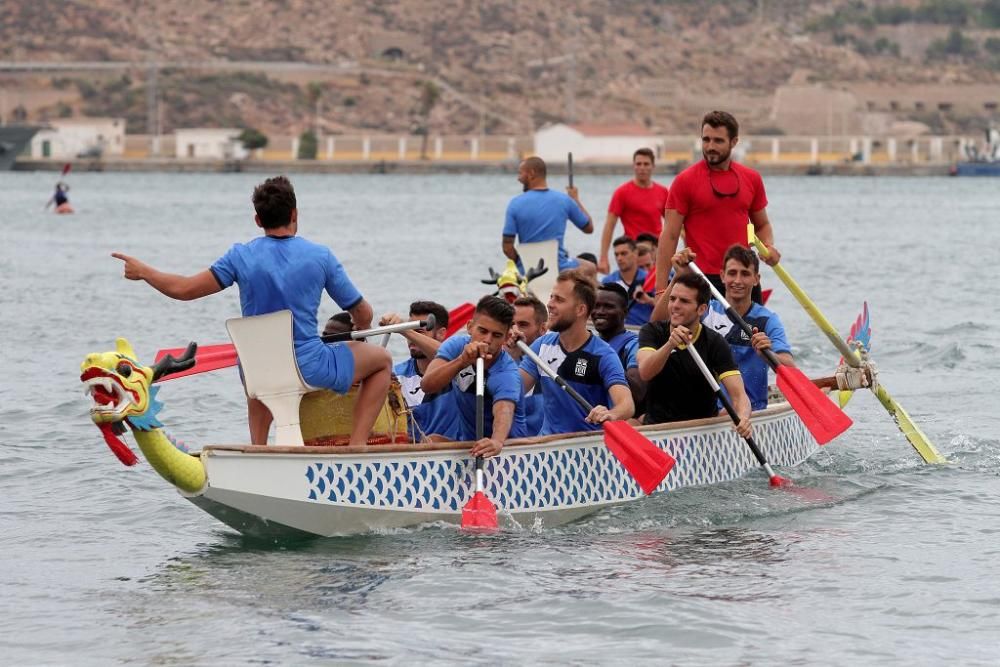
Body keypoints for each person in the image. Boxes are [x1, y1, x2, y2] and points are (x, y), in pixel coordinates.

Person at [111, 175, 392, 447]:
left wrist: (145, 272)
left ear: (258, 220)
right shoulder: (321, 256)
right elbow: (363, 313)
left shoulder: (239, 256)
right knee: (382, 360)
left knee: (257, 361)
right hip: (310, 368)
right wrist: (358, 330)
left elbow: (184, 290)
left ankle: (257, 447)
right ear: (295, 213)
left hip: (259, 371)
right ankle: (358, 445)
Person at [654, 110, 781, 303]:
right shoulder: (684, 181)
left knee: (752, 334)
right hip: (701, 279)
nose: (710, 146)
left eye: (718, 141)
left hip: (742, 279)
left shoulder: (752, 179)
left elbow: (762, 225)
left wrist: (768, 247)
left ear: (734, 142)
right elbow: (669, 236)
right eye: (706, 140)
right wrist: (661, 291)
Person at [677, 245, 794, 411]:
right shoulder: (704, 311)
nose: (737, 281)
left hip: (750, 412)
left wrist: (768, 354)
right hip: (705, 410)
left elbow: (790, 368)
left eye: (745, 274)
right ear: (722, 276)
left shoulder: (767, 321)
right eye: (732, 273)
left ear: (756, 279)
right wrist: (679, 273)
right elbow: (661, 320)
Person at [519, 269, 634, 435]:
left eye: (559, 299)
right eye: (551, 297)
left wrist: (610, 414)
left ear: (580, 310)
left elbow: (626, 404)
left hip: (584, 448)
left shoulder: (603, 355)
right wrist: (505, 353)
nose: (550, 304)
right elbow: (514, 389)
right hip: (548, 445)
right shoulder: (542, 346)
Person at [637, 273, 752, 436]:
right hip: (658, 430)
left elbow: (739, 396)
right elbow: (645, 372)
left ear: (702, 309)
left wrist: (743, 418)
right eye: (672, 299)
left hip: (701, 432)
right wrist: (670, 345)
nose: (675, 306)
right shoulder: (652, 331)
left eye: (684, 301)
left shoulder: (715, 342)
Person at [422, 295, 529, 456]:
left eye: (497, 335)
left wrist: (497, 441)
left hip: (507, 449)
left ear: (507, 338)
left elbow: (504, 411)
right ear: (470, 326)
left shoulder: (507, 372)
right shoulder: (456, 346)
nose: (487, 340)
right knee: (431, 441)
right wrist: (461, 361)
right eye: (483, 331)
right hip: (470, 443)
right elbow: (427, 385)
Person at [380, 301, 462, 441]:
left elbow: (447, 355)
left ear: (441, 334)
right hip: (410, 453)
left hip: (449, 451)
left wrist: (404, 329)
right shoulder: (396, 375)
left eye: (418, 331)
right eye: (409, 329)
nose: (410, 338)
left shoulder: (458, 368)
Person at [502, 156, 594, 272]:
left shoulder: (514, 204)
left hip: (527, 270)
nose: (518, 178)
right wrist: (575, 199)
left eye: (520, 173)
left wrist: (521, 262)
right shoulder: (564, 200)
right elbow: (589, 228)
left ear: (531, 173)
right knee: (591, 268)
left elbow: (507, 247)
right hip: (559, 268)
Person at [597, 148, 669, 275]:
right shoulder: (622, 192)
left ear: (653, 166)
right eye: (638, 164)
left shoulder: (663, 192)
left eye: (646, 164)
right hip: (633, 251)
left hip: (656, 251)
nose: (642, 168)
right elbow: (609, 226)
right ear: (633, 166)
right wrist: (603, 257)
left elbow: (674, 224)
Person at [592, 283, 646, 416]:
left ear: (625, 312)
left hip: (617, 421)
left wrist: (605, 362)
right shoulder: (588, 343)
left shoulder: (635, 345)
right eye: (596, 306)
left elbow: (639, 392)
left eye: (608, 306)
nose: (600, 311)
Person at [506, 294, 548, 435]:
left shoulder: (555, 362)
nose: (515, 331)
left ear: (543, 329)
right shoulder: (497, 360)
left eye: (523, 325)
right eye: (512, 324)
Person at [601, 235, 654, 325]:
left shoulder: (650, 278)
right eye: (616, 254)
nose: (619, 258)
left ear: (635, 253)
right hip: (615, 331)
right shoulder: (607, 281)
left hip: (643, 331)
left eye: (624, 253)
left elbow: (666, 308)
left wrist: (649, 300)